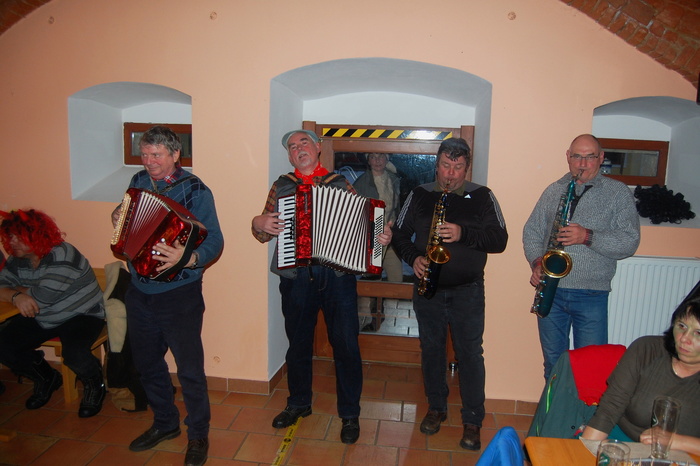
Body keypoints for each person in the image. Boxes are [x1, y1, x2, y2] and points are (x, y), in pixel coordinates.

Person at [251, 130, 392, 445]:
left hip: (337, 276)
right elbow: (262, 233)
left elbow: (368, 223)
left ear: (317, 148)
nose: (298, 149)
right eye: (292, 146)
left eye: (304, 143)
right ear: (290, 156)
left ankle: (350, 413)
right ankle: (298, 403)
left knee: (346, 345)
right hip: (296, 276)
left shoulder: (339, 184)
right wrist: (258, 223)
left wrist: (381, 236)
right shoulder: (282, 186)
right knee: (298, 344)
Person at [110, 125, 223, 466]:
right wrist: (117, 219)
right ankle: (165, 423)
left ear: (175, 154)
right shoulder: (138, 182)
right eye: (145, 154)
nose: (149, 162)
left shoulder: (196, 190)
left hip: (180, 293)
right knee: (147, 364)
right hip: (139, 289)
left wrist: (188, 258)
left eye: (156, 155)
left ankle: (198, 434)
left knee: (189, 369)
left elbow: (215, 240)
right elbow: (127, 220)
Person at [391, 137, 508, 450]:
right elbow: (399, 234)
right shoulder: (419, 194)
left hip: (468, 290)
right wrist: (413, 257)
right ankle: (436, 408)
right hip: (428, 288)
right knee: (431, 350)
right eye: (445, 165)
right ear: (437, 164)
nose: (451, 174)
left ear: (466, 167)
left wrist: (462, 233)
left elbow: (500, 239)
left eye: (458, 167)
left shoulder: (483, 196)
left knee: (470, 354)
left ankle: (472, 419)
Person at [523, 134, 640, 380]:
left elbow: (629, 241)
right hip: (550, 290)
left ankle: (584, 409)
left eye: (590, 157)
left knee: (591, 368)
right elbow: (532, 232)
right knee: (553, 365)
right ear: (568, 157)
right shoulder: (554, 190)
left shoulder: (617, 193)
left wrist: (587, 236)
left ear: (601, 158)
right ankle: (554, 407)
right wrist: (537, 263)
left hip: (591, 294)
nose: (583, 164)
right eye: (577, 156)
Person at [0, 209, 106, 417]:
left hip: (82, 313)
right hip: (43, 315)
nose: (12, 242)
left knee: (74, 355)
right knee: (4, 345)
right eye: (9, 237)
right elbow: (2, 285)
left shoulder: (63, 255)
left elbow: (40, 298)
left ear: (37, 235)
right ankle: (46, 377)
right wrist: (16, 296)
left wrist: (16, 292)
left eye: (18, 237)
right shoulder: (18, 258)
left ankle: (95, 384)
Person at [581, 297, 700, 457]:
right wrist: (584, 452)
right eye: (682, 326)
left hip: (687, 455)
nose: (684, 338)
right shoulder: (646, 349)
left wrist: (675, 441)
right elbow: (609, 409)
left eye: (698, 333)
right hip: (621, 443)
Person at [352, 153, 403, 283]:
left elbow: (397, 208)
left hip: (390, 238)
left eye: (381, 156)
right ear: (368, 161)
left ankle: (392, 299)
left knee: (396, 279)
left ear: (387, 159)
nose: (377, 160)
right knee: (372, 281)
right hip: (371, 241)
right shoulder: (360, 183)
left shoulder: (393, 179)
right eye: (373, 157)